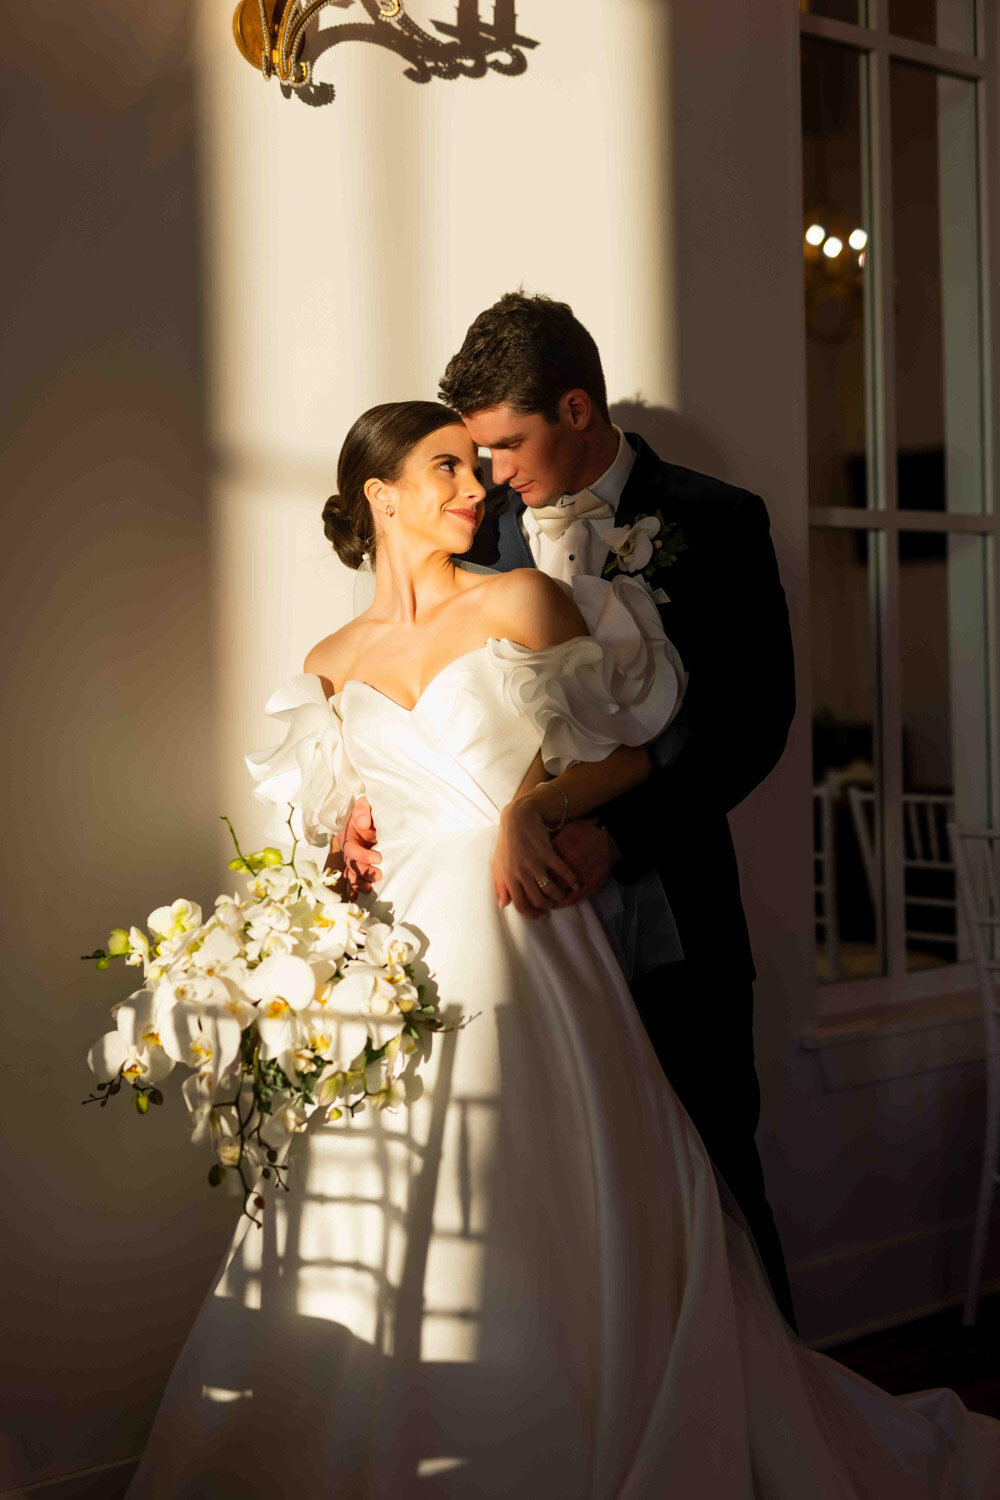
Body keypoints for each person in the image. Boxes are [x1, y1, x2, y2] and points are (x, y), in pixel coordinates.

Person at [128, 400, 1000, 1498]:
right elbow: (345, 814)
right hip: (398, 964)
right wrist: (341, 835)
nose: (478, 486)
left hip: (525, 939)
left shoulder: (520, 600)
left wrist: (530, 808)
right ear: (380, 496)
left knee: (545, 1208)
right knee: (382, 1202)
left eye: (479, 463)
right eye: (447, 468)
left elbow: (629, 753)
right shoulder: (329, 660)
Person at [343, 291, 798, 1328]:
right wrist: (372, 792)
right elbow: (420, 674)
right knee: (547, 1204)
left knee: (714, 1176)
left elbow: (749, 726)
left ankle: (763, 1403)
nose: (489, 473)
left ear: (578, 409)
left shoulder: (717, 520)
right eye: (474, 452)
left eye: (506, 443)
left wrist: (616, 835)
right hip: (512, 933)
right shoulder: (474, 525)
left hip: (670, 915)